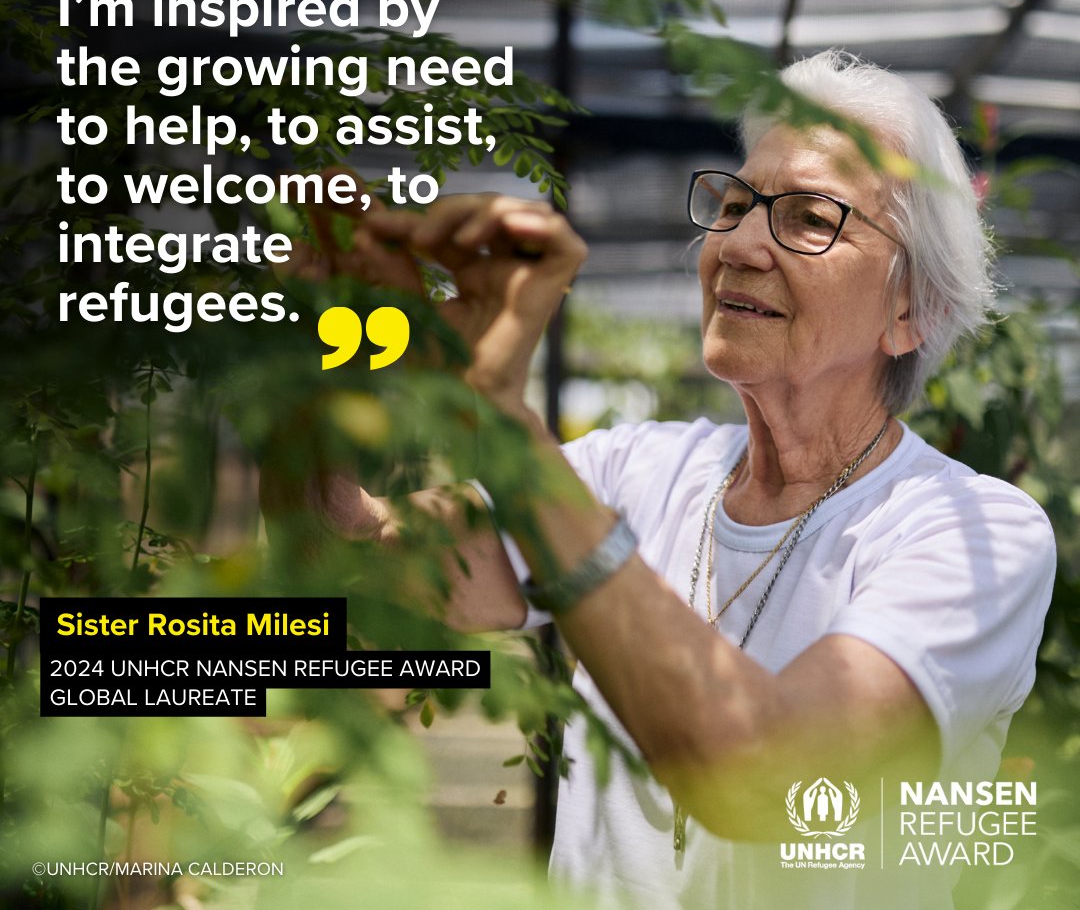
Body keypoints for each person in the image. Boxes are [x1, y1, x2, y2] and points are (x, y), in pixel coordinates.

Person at [271, 51, 1056, 908]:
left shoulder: (972, 535)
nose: (741, 244)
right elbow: (354, 559)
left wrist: (500, 424)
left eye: (808, 218)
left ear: (911, 309)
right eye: (735, 204)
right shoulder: (633, 469)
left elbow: (768, 778)